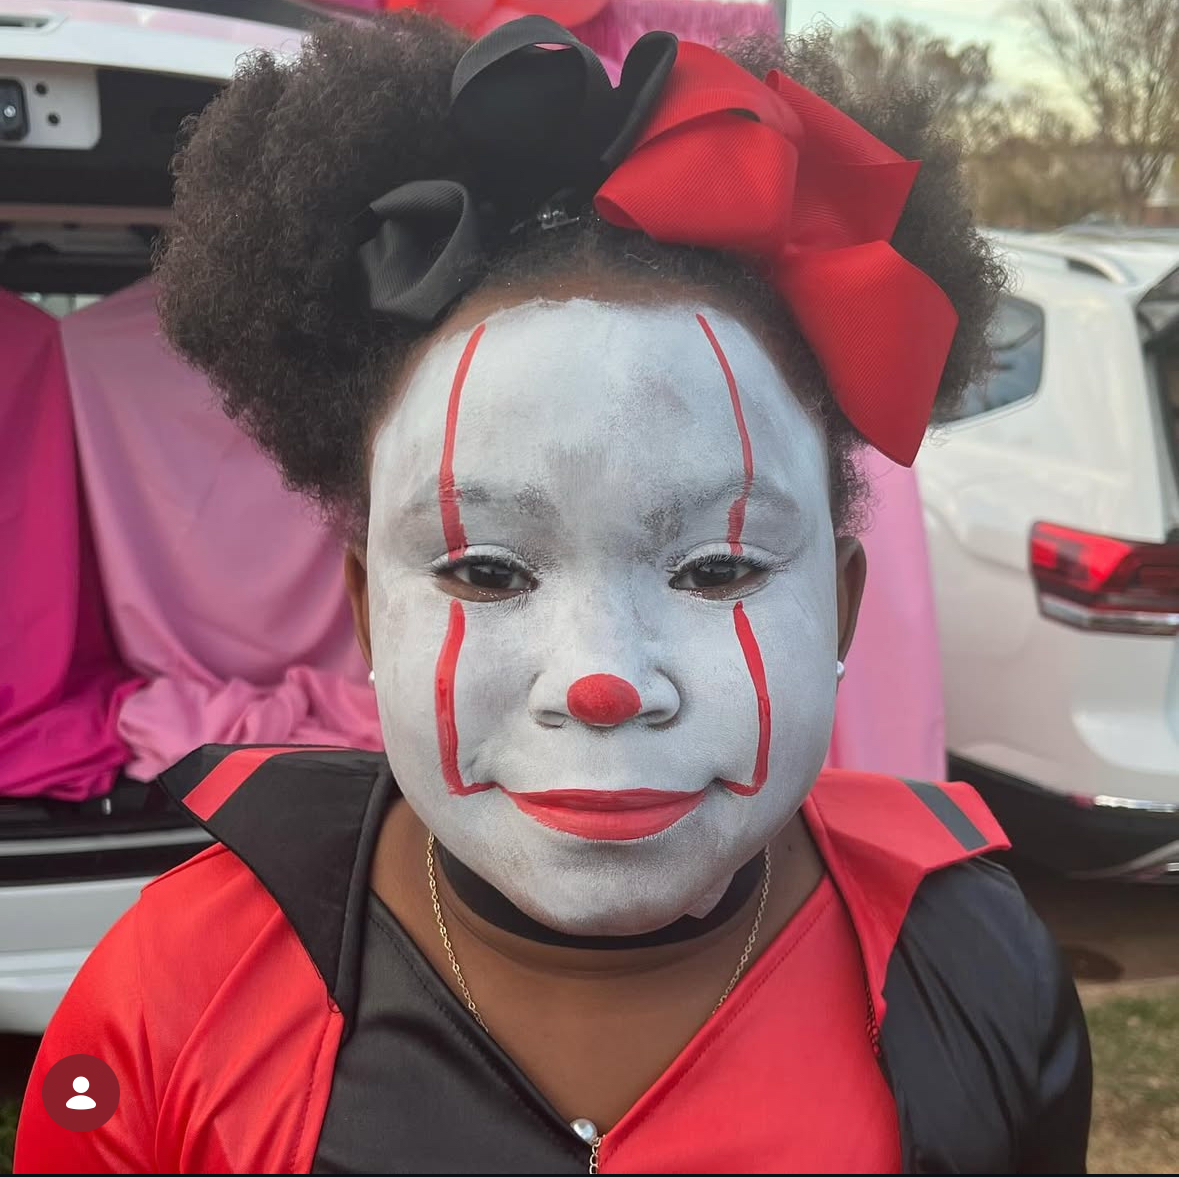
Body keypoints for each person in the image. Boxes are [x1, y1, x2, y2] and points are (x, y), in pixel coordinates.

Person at [15, 13, 1091, 1174]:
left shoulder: (975, 974)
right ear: (369, 610)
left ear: (840, 607)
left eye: (716, 568)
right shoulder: (171, 993)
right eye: (487, 571)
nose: (602, 680)